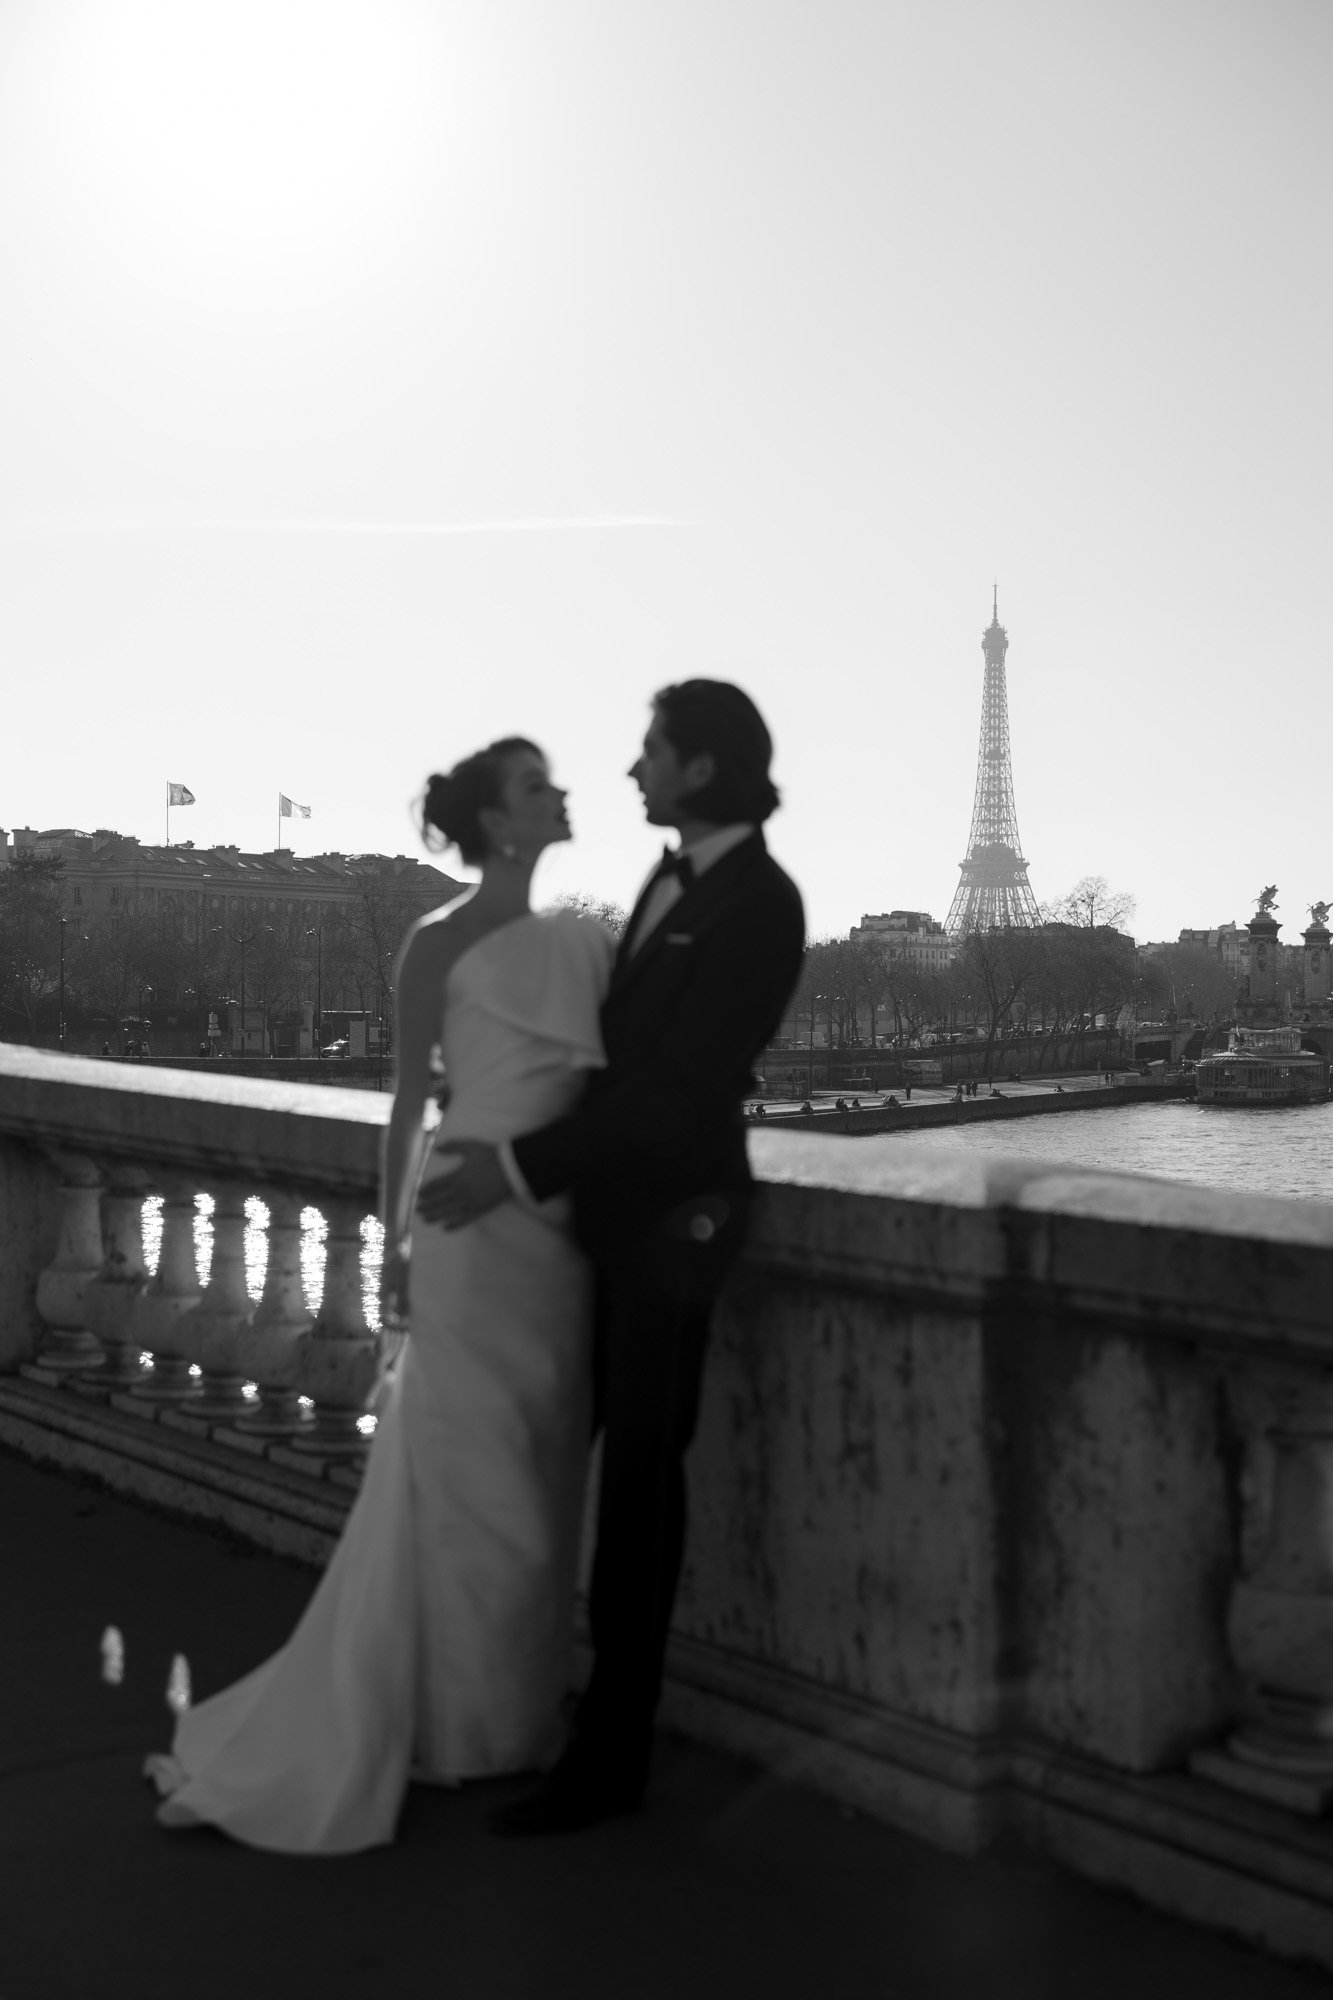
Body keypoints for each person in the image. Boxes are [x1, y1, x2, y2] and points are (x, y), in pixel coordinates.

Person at [143, 737, 614, 1852]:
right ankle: (462, 1721)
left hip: (550, 1231)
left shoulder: (587, 940)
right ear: (500, 823)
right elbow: (406, 1102)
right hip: (462, 1227)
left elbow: (604, 1101)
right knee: (471, 1472)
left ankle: (508, 1708)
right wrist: (396, 1240)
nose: (561, 797)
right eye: (539, 786)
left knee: (539, 1465)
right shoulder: (437, 939)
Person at [420, 681, 805, 1836]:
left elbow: (675, 1094)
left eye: (651, 751)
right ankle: (533, 1701)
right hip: (608, 1218)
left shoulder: (759, 902)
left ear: (699, 767)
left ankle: (610, 1754)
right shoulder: (677, 877)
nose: (632, 770)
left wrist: (519, 1163)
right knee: (570, 1466)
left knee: (639, 1482)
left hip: (674, 1223)